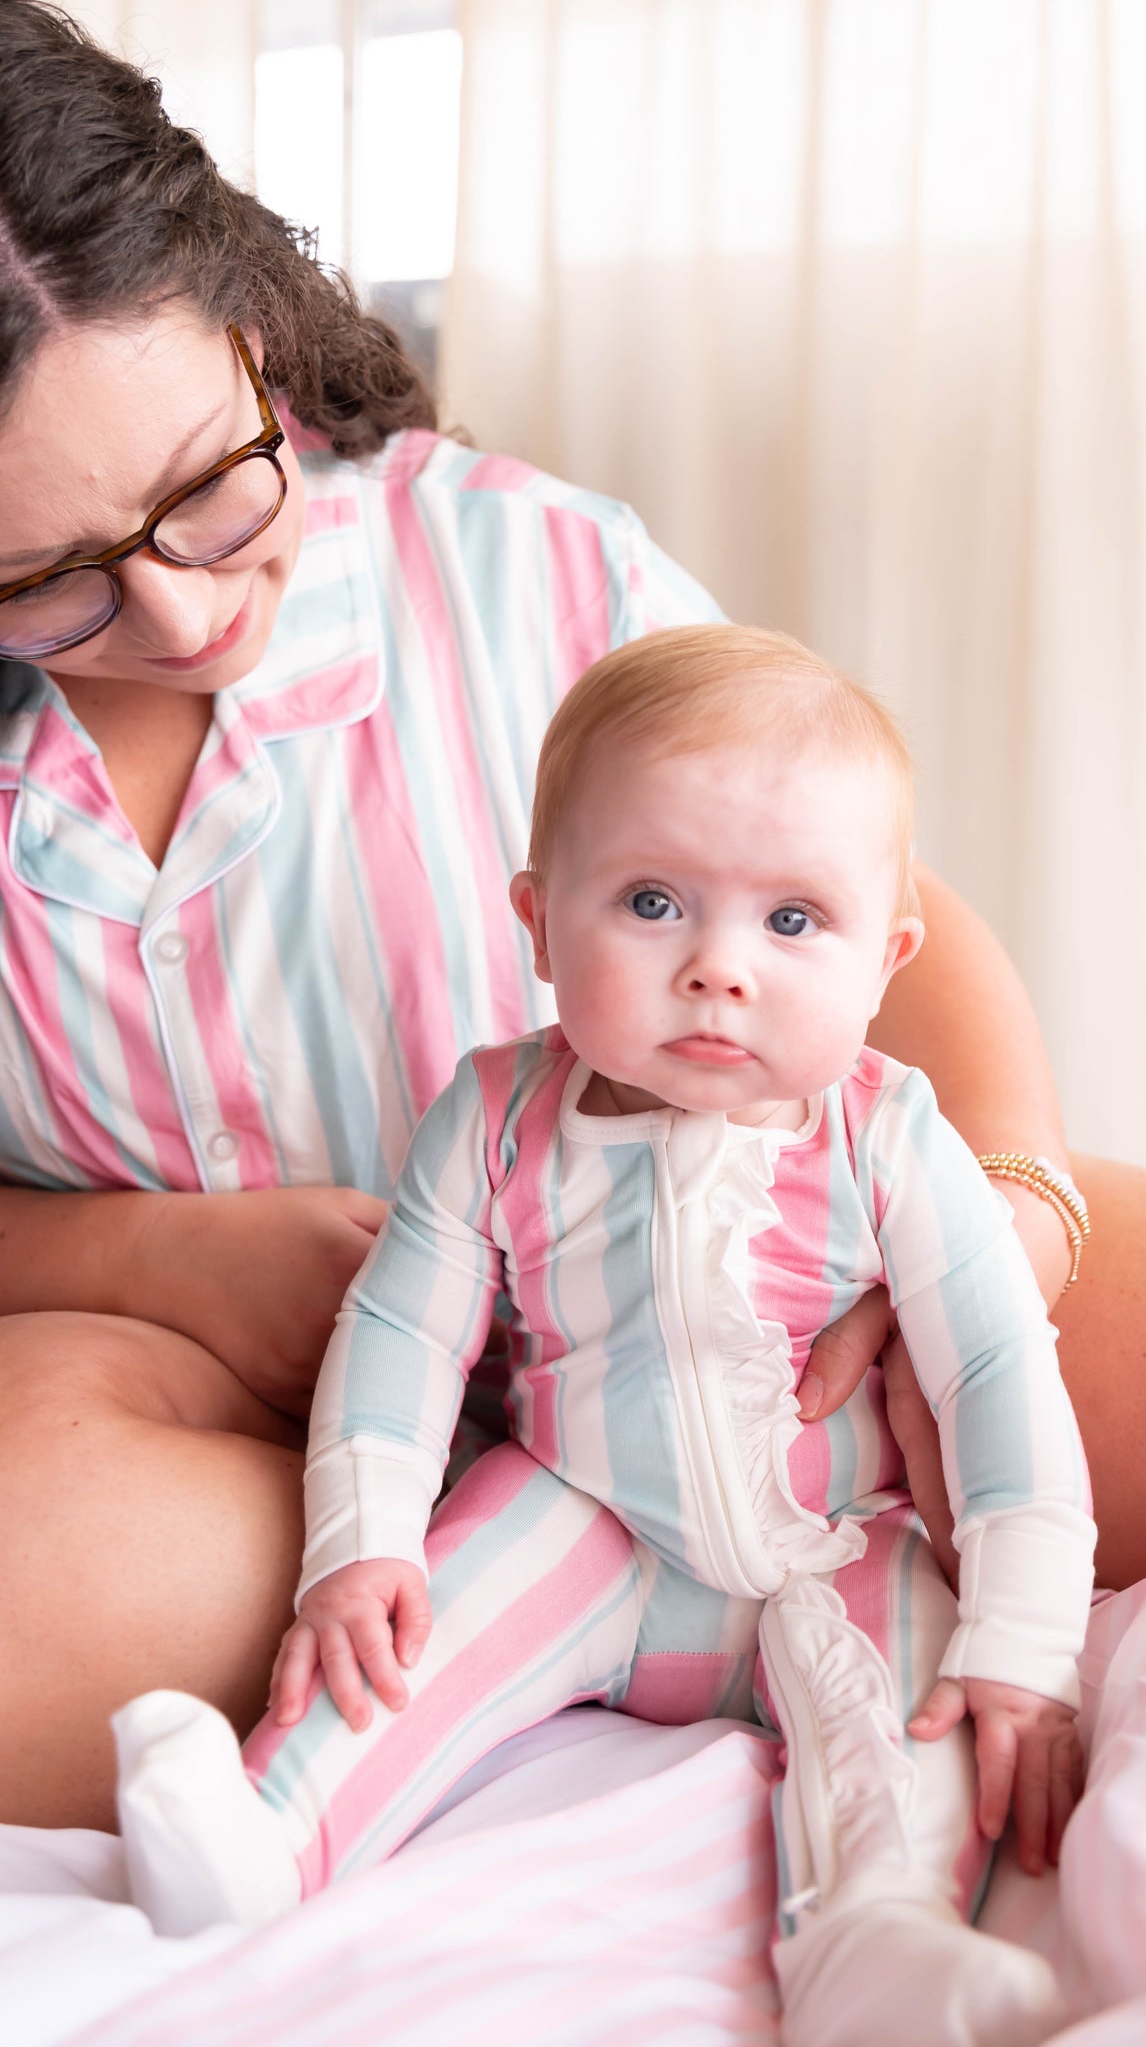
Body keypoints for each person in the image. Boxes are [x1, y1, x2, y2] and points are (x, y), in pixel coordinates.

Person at [0, 0, 1146, 1840]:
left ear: (256, 333)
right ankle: (527, 1578)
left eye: (208, 492)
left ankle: (581, 1578)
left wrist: (1011, 1214)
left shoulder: (520, 568)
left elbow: (884, 918)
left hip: (739, 1260)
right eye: (39, 578)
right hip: (233, 1386)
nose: (183, 622)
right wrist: (145, 1267)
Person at [115, 626, 1092, 2047]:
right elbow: (398, 1331)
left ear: (886, 961)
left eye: (792, 922)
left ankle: (876, 1936)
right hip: (586, 1521)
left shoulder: (888, 1133)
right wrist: (363, 1542)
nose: (717, 969)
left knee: (915, 1716)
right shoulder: (499, 1113)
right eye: (650, 901)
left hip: (833, 1536)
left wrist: (1025, 1640)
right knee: (401, 1637)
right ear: (536, 917)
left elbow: (996, 1372)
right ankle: (269, 1842)